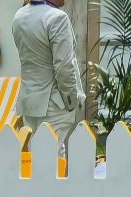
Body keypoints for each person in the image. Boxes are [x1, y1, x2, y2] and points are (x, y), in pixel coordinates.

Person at [10, 0, 83, 138]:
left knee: (38, 150)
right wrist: (72, 101)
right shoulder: (58, 18)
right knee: (51, 151)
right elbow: (64, 67)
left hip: (29, 102)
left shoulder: (19, 16)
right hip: (54, 105)